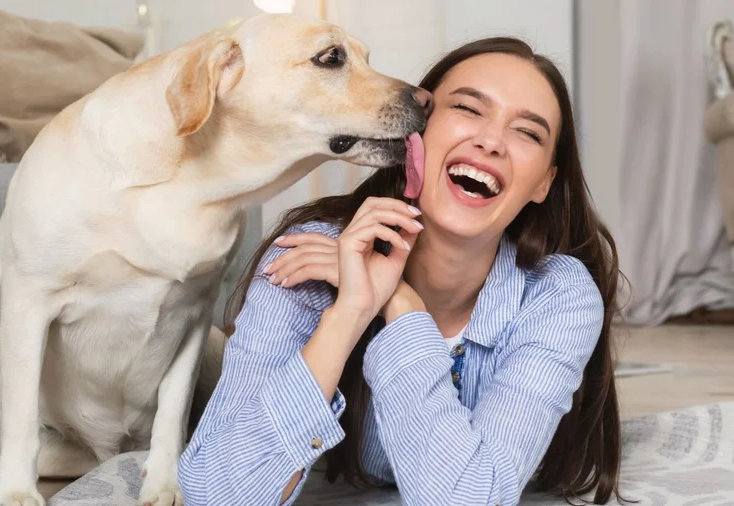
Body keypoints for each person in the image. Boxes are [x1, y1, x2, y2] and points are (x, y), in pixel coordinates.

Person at [177, 35, 623, 506]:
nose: (491, 141)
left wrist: (399, 303)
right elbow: (216, 495)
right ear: (415, 137)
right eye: (469, 109)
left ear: (543, 184)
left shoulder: (560, 295)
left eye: (528, 133)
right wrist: (349, 312)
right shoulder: (309, 256)